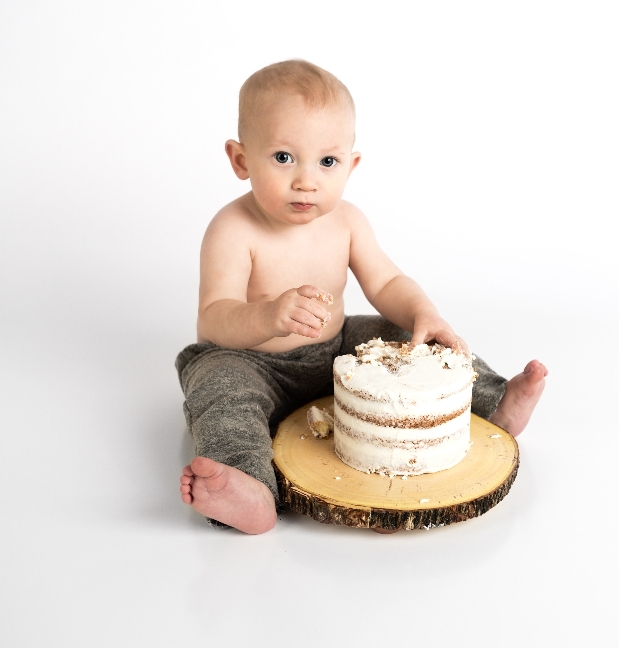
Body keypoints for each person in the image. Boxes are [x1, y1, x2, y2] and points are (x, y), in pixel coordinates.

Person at [176, 60, 548, 534]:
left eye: (326, 162)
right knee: (220, 390)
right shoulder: (233, 229)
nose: (306, 180)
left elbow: (386, 283)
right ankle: (247, 484)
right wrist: (269, 316)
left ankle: (494, 400)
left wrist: (422, 313)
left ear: (350, 165)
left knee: (406, 335)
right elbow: (214, 318)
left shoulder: (347, 222)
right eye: (284, 158)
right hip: (252, 362)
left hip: (335, 349)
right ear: (240, 159)